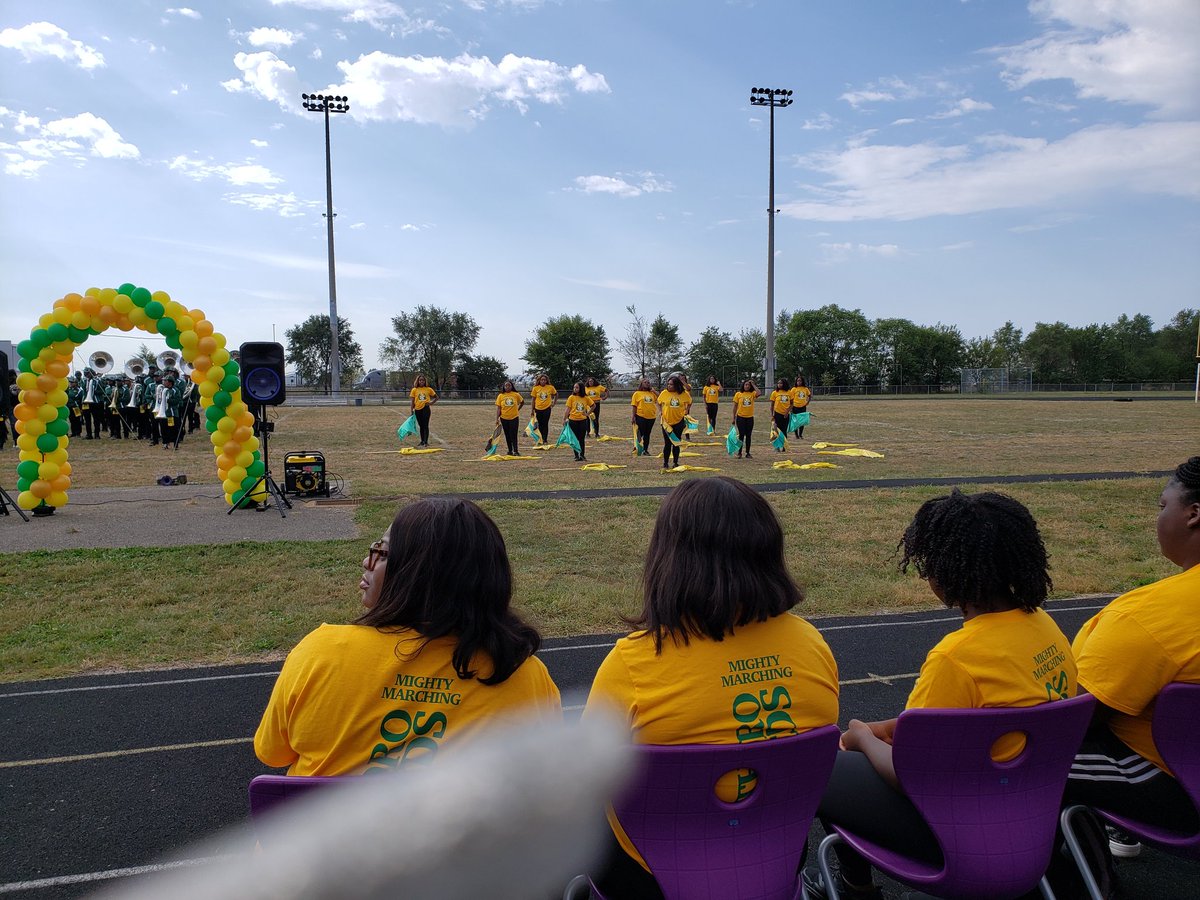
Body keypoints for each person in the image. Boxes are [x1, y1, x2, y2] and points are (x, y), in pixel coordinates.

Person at [806, 489, 1076, 899]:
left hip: (958, 832)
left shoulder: (957, 656)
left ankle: (853, 887)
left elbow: (905, 773)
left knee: (823, 763)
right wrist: (904, 726)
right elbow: (996, 714)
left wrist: (860, 735)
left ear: (947, 571)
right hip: (1032, 815)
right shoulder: (1044, 626)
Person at [583, 477, 839, 899]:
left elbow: (590, 777)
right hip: (773, 858)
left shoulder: (632, 663)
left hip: (653, 876)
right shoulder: (811, 645)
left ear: (668, 558)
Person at [255, 498, 562, 775]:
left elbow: (272, 753)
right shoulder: (524, 678)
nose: (367, 562)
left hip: (323, 838)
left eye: (383, 553)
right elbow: (545, 778)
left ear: (417, 574)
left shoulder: (321, 654)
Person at [1064, 457, 1200, 856]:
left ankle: (1082, 876)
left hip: (1182, 793)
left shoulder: (1147, 617)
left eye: (1163, 506)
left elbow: (1075, 718)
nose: (1159, 517)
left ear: (1193, 514)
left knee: (1021, 760)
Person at [656, 375, 691, 470]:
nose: (669, 386)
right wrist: (660, 411)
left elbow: (689, 402)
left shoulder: (684, 394)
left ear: (676, 385)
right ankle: (665, 463)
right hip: (666, 422)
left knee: (676, 442)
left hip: (679, 421)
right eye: (668, 384)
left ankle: (675, 462)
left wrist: (687, 410)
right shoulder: (664, 393)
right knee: (667, 443)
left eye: (671, 384)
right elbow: (658, 402)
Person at [562, 382, 594, 462]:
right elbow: (568, 409)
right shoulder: (571, 397)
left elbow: (593, 406)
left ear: (581, 389)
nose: (575, 389)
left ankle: (582, 455)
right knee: (574, 439)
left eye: (577, 387)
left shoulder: (586, 398)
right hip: (573, 421)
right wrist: (564, 419)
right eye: (574, 387)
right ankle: (576, 455)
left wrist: (587, 413)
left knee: (581, 439)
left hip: (583, 421)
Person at [494, 380, 524, 456]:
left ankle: (516, 451)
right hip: (504, 418)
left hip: (514, 418)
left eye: (509, 385)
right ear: (504, 387)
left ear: (512, 386)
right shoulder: (500, 396)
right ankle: (510, 450)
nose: (507, 387)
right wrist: (497, 418)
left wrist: (518, 409)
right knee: (507, 435)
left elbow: (522, 402)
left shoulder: (516, 394)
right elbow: (498, 408)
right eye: (506, 385)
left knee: (514, 434)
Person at [731, 379, 758, 459]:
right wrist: (733, 417)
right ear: (743, 385)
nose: (747, 386)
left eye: (748, 385)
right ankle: (739, 453)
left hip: (749, 418)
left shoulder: (752, 393)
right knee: (741, 435)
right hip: (740, 417)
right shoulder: (738, 394)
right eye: (746, 385)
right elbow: (735, 407)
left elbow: (759, 393)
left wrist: (753, 384)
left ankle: (748, 453)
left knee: (749, 435)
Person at [629, 378, 657, 457]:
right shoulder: (637, 394)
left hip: (651, 417)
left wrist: (654, 391)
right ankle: (637, 448)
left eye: (648, 382)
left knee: (647, 434)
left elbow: (661, 398)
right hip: (640, 416)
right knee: (639, 433)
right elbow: (634, 406)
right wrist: (633, 416)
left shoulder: (652, 393)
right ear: (641, 384)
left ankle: (645, 450)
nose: (647, 383)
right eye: (645, 382)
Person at [409, 375, 438, 448]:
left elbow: (436, 397)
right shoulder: (414, 390)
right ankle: (422, 441)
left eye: (423, 380)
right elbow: (412, 402)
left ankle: (426, 442)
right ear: (417, 381)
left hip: (426, 409)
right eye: (420, 380)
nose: (421, 381)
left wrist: (431, 403)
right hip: (417, 409)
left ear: (425, 381)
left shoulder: (428, 389)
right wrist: (412, 410)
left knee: (425, 425)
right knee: (421, 426)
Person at [529, 374, 557, 445]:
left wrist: (553, 403)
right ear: (539, 380)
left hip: (547, 408)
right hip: (538, 409)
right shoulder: (535, 388)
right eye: (542, 380)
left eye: (545, 380)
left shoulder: (550, 387)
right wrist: (532, 409)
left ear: (547, 380)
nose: (543, 381)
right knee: (540, 424)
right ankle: (540, 438)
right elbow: (533, 400)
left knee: (545, 423)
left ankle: (545, 439)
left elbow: (556, 394)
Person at [769, 377, 792, 451]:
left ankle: (784, 446)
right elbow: (772, 405)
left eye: (781, 383)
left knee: (784, 430)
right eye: (778, 383)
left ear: (784, 384)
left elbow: (791, 404)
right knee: (776, 430)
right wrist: (772, 415)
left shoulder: (789, 392)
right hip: (777, 414)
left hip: (785, 415)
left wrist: (787, 412)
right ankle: (777, 447)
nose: (779, 384)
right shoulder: (775, 393)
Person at [790, 374, 812, 440]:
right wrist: (791, 408)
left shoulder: (805, 389)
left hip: (803, 407)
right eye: (798, 381)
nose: (799, 382)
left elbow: (809, 395)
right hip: (795, 407)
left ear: (802, 381)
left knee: (802, 422)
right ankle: (796, 435)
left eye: (800, 381)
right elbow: (790, 398)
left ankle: (800, 434)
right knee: (796, 421)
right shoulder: (794, 389)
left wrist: (807, 402)